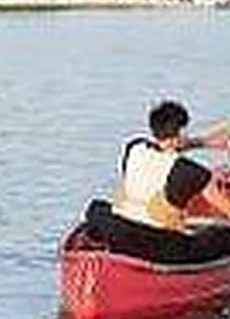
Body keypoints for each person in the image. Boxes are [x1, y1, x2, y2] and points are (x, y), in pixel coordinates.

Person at [80, 100, 230, 264]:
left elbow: (166, 148)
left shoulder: (134, 147)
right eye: (185, 132)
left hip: (119, 227)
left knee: (100, 207)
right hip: (158, 243)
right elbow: (223, 206)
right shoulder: (190, 171)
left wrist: (202, 143)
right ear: (180, 134)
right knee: (221, 237)